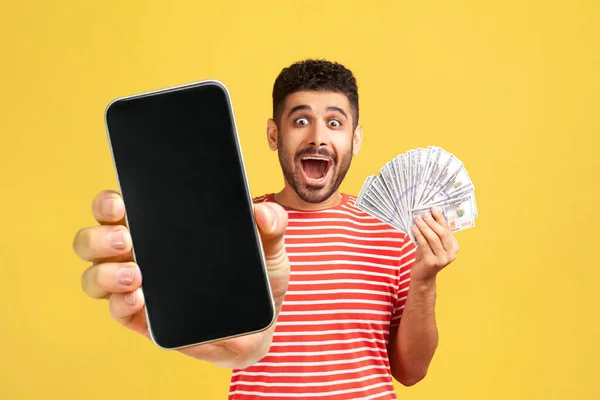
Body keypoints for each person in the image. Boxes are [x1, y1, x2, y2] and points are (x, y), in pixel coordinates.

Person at [73, 59, 460, 399]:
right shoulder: (238, 226)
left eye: (335, 123)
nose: (318, 137)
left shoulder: (389, 232)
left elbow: (411, 372)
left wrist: (424, 278)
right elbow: (204, 325)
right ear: (274, 135)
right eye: (301, 120)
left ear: (355, 139)